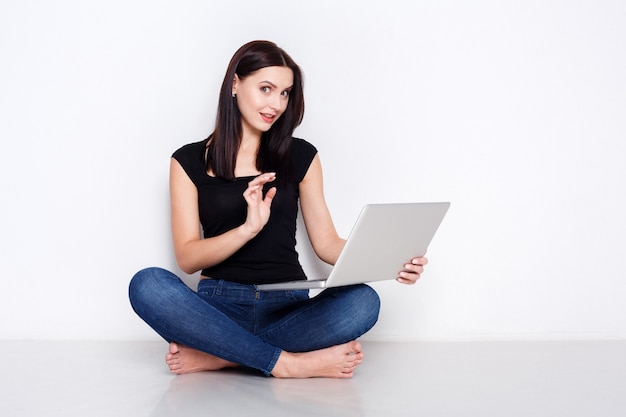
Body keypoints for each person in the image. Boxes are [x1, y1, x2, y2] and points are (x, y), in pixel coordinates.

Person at [128, 40, 428, 379]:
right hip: (217, 307)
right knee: (147, 284)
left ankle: (223, 355)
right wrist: (247, 229)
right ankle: (287, 363)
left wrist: (391, 260)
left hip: (288, 306)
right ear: (235, 84)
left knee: (363, 302)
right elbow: (187, 257)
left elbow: (327, 244)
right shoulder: (187, 161)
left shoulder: (301, 155)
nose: (276, 104)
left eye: (285, 93)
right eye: (266, 89)